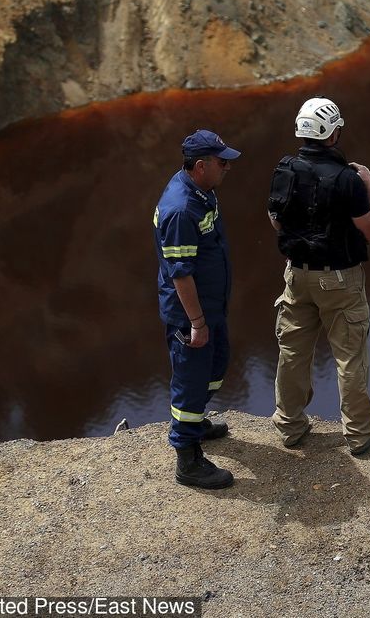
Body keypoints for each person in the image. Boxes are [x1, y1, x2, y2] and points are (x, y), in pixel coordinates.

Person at [268, 96, 370, 456]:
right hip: (340, 281)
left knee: (293, 351)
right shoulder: (349, 180)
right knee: (349, 356)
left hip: (296, 276)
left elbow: (275, 220)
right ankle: (360, 434)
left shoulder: (284, 170)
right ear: (332, 133)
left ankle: (290, 425)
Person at [153, 129, 241, 489]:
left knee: (217, 364)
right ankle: (187, 458)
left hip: (210, 308)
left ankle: (195, 421)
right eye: (222, 163)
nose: (227, 168)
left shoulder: (202, 192)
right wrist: (197, 323)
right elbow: (181, 275)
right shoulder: (180, 209)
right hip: (191, 314)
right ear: (201, 165)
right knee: (190, 380)